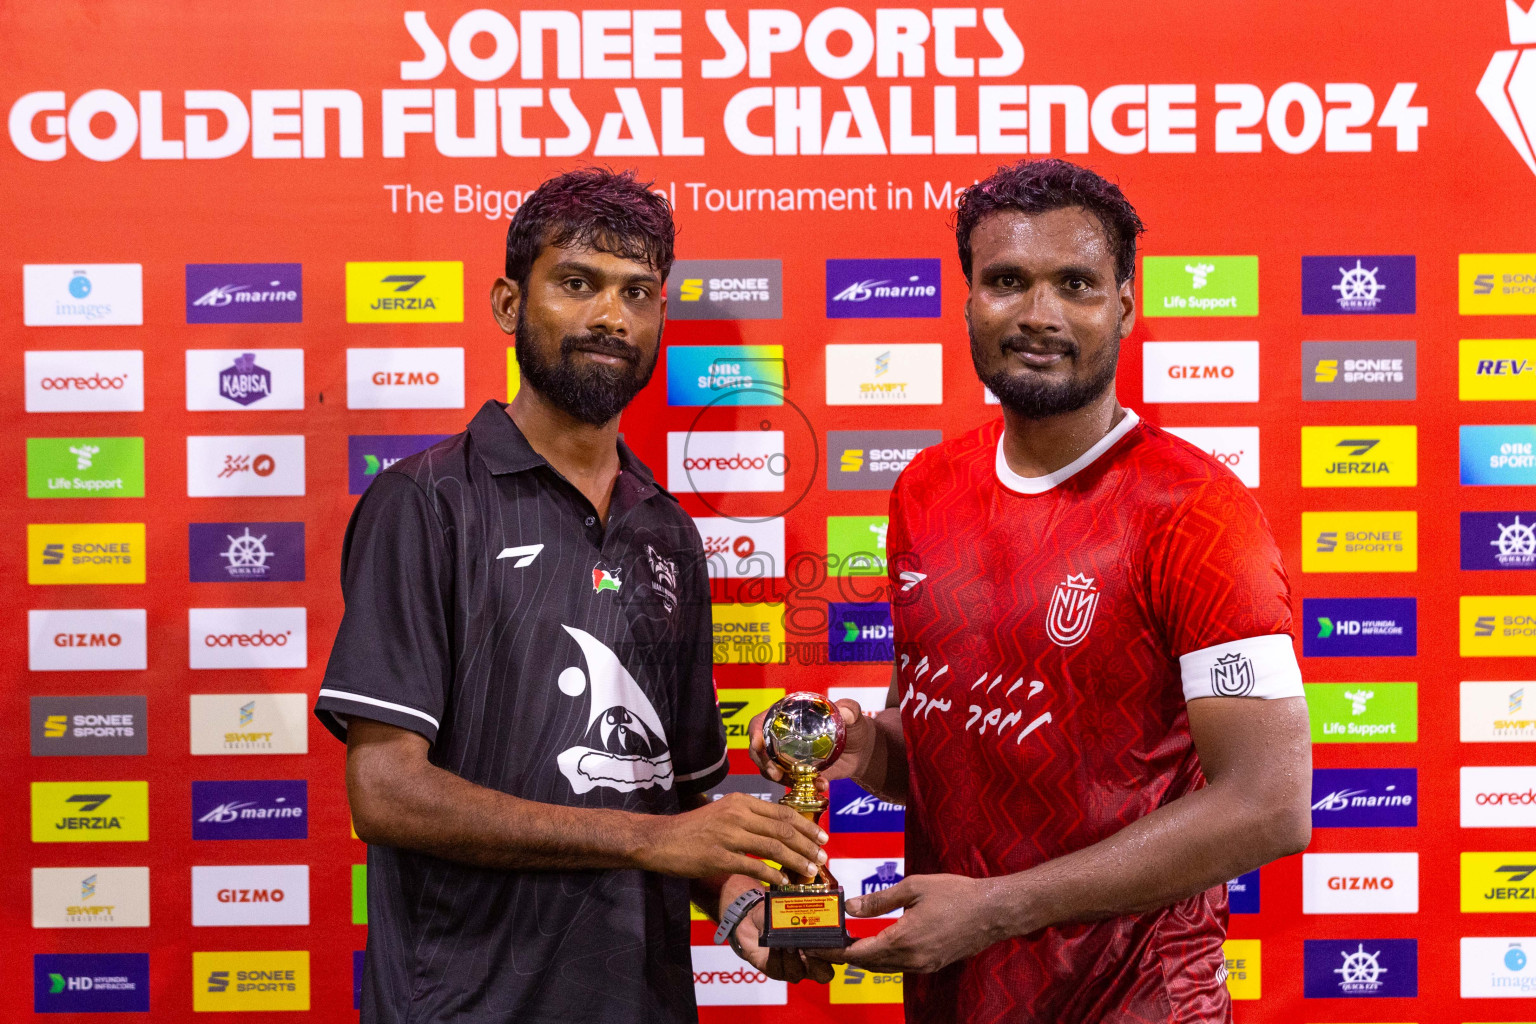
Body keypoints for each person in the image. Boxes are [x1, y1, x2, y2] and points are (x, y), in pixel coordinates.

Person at [744, 158, 1313, 1022]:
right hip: (956, 993)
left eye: (1075, 284)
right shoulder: (927, 488)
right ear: (969, 298)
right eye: (1006, 281)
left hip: (1135, 1001)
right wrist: (865, 753)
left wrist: (999, 908)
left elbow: (1270, 805)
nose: (1038, 314)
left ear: (1124, 302)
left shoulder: (1196, 511)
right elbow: (952, 735)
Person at [314, 167, 827, 1024]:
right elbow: (387, 792)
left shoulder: (667, 530)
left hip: (641, 1001)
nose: (611, 318)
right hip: (464, 1007)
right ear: (510, 305)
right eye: (578, 284)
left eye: (638, 292)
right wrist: (653, 840)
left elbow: (679, 804)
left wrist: (746, 904)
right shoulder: (426, 502)